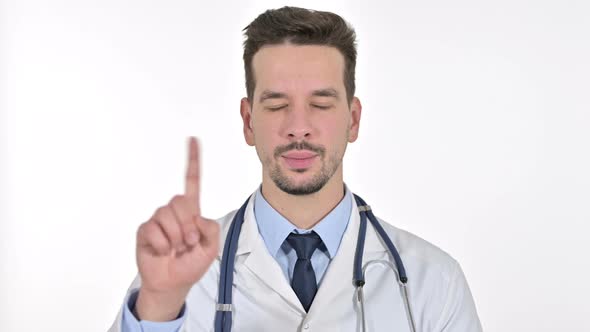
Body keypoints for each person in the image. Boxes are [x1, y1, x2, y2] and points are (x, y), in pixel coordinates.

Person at [108, 6, 482, 332]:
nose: (298, 126)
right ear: (248, 121)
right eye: (276, 104)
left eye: (320, 103)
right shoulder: (178, 277)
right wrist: (158, 306)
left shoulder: (434, 282)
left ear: (353, 120)